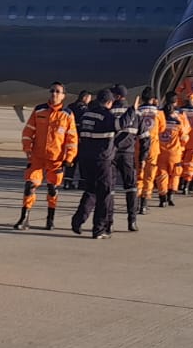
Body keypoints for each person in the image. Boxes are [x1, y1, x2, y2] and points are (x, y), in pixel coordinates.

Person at [16, 82, 77, 231]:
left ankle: (50, 220)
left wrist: (69, 158)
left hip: (55, 159)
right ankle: (24, 218)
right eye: (52, 91)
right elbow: (28, 131)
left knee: (52, 189)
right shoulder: (39, 110)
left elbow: (72, 139)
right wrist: (27, 149)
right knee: (30, 186)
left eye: (58, 92)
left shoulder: (67, 115)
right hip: (37, 157)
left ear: (63, 96)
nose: (54, 94)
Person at [69, 90, 118, 238]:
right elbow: (120, 125)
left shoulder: (87, 115)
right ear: (109, 102)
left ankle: (78, 220)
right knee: (104, 194)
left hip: (86, 158)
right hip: (102, 160)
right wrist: (132, 111)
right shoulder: (107, 116)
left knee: (90, 191)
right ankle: (99, 229)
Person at [109, 86, 141, 231]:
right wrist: (144, 156)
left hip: (111, 154)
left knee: (109, 189)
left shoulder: (109, 112)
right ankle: (132, 221)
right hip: (128, 154)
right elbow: (145, 137)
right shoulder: (136, 113)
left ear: (116, 96)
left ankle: (108, 221)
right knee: (131, 187)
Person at [155, 95, 190, 207]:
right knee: (175, 175)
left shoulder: (159, 121)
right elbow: (184, 137)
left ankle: (162, 198)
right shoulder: (178, 122)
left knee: (162, 175)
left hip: (160, 152)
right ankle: (171, 196)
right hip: (175, 153)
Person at [134, 87, 163, 215]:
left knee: (138, 174)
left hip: (138, 145)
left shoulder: (137, 111)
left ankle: (135, 201)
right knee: (149, 175)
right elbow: (162, 128)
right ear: (152, 99)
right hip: (152, 146)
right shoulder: (159, 113)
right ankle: (144, 204)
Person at [63, 90, 93, 189]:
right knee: (83, 161)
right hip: (81, 138)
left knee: (71, 160)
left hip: (70, 138)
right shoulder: (85, 109)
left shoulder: (70, 107)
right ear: (85, 98)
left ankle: (67, 182)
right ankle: (82, 183)